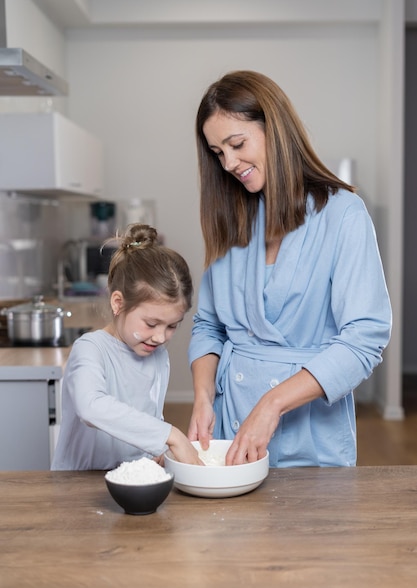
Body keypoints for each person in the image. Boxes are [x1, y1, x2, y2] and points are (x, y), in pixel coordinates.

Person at [188, 70, 392, 468]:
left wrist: (273, 404)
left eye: (236, 144)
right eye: (217, 152)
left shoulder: (343, 214)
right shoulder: (230, 219)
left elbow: (364, 338)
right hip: (232, 427)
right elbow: (209, 325)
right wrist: (201, 396)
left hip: (311, 436)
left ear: (274, 129)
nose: (228, 163)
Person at [52, 223, 202, 470]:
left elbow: (146, 421)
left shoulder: (157, 356)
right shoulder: (90, 349)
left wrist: (161, 450)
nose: (160, 337)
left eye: (172, 326)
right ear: (118, 303)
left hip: (131, 480)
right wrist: (170, 435)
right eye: (151, 323)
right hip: (78, 486)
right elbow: (91, 407)